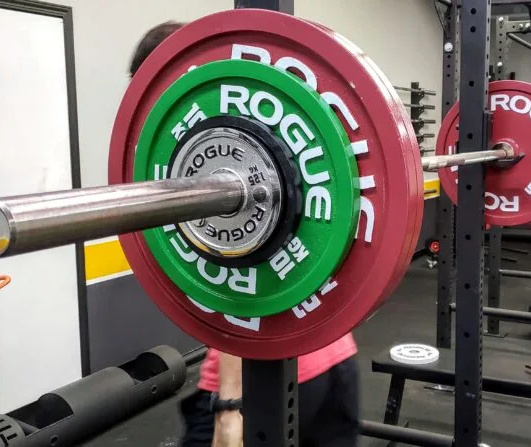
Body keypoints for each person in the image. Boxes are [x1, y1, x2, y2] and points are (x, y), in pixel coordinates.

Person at [128, 22, 361, 447]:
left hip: (261, 377)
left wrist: (229, 409)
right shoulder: (281, 128)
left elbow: (245, 301)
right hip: (335, 356)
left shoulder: (222, 145)